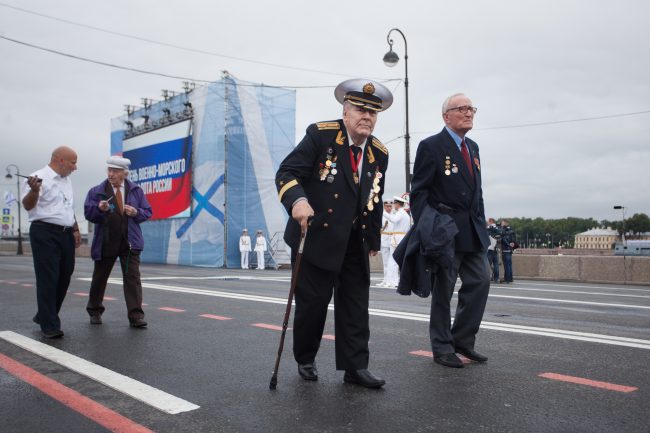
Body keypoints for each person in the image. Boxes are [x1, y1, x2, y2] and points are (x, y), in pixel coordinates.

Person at [275, 78, 392, 388]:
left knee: (356, 304)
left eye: (372, 112)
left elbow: (374, 197)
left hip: (354, 240)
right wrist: (298, 200)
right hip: (315, 235)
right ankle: (306, 357)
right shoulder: (321, 135)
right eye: (360, 109)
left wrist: (373, 239)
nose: (367, 116)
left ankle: (355, 367)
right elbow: (287, 172)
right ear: (345, 110)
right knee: (312, 306)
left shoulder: (378, 153)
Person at [410, 93, 490, 368]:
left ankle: (463, 340)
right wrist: (425, 229)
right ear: (446, 116)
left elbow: (477, 192)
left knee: (480, 281)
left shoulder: (474, 148)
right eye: (462, 109)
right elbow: (418, 192)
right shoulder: (431, 146)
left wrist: (482, 221)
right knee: (443, 291)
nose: (469, 113)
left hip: (472, 230)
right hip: (444, 230)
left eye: (471, 109)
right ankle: (442, 347)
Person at [84, 156, 152, 328]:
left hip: (129, 243)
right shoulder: (96, 191)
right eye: (109, 170)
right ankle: (95, 311)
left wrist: (136, 212)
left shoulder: (136, 191)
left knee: (132, 279)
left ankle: (135, 316)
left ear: (124, 173)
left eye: (115, 171)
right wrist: (100, 210)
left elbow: (147, 211)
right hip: (106, 242)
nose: (111, 174)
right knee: (100, 278)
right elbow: (88, 213)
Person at [22, 146, 81, 338]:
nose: (75, 167)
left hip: (65, 233)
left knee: (65, 274)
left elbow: (67, 206)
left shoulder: (67, 180)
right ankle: (50, 325)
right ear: (60, 160)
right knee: (48, 278)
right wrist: (34, 191)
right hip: (44, 231)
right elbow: (28, 205)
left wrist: (75, 227)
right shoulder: (37, 178)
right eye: (73, 162)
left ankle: (44, 314)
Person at [382, 195, 412, 288]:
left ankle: (393, 281)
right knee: (393, 260)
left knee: (393, 260)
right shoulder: (402, 212)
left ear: (398, 204)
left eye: (394, 203)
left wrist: (382, 212)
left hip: (398, 238)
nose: (393, 205)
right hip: (399, 237)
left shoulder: (401, 212)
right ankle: (391, 280)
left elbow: (393, 220)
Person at [378, 201, 393, 287]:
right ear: (384, 206)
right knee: (385, 262)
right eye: (387, 206)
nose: (389, 208)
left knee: (392, 262)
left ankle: (390, 280)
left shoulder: (394, 215)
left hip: (392, 240)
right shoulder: (381, 215)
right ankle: (385, 279)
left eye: (390, 206)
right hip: (384, 239)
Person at [499, 219, 516, 283]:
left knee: (506, 265)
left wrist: (507, 245)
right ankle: (510, 278)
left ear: (506, 223)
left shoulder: (504, 230)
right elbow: (514, 240)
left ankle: (507, 279)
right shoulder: (511, 230)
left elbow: (503, 239)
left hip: (505, 249)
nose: (501, 224)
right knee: (509, 265)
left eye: (502, 223)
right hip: (510, 249)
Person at [486, 218, 500, 282]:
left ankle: (488, 277)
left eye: (488, 221)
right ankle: (496, 278)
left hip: (490, 248)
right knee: (496, 264)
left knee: (488, 264)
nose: (487, 222)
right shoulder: (498, 228)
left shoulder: (489, 228)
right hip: (496, 249)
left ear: (491, 221)